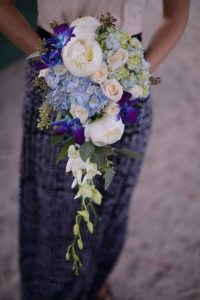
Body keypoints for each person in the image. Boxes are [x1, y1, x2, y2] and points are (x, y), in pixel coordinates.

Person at [0, 1, 190, 299]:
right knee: (51, 214)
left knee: (111, 202)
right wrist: (53, 64)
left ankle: (96, 283)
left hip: (126, 85)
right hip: (54, 78)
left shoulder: (131, 83)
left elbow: (176, 13)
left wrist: (139, 76)